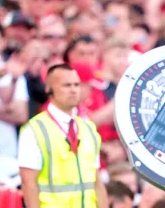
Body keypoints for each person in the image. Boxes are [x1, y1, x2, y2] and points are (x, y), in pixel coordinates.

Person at [18, 64, 108, 208]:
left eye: (76, 85)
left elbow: (96, 181)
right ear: (49, 89)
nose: (73, 90)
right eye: (66, 85)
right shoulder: (34, 129)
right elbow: (29, 184)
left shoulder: (88, 128)